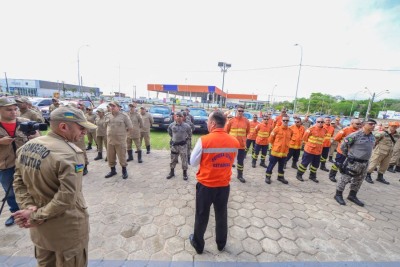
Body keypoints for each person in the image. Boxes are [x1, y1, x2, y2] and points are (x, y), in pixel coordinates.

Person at [12, 106, 96, 266]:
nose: (84, 132)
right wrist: (35, 216)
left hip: (40, 231)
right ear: (63, 127)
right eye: (81, 128)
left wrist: (29, 208)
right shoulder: (71, 154)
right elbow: (67, 198)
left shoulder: (27, 147)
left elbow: (18, 182)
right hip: (66, 230)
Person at [189, 110, 239, 254]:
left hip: (206, 186)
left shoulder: (204, 140)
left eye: (207, 121)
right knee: (221, 214)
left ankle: (198, 245)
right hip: (223, 186)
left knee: (202, 215)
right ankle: (221, 244)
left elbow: (192, 162)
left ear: (212, 123)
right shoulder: (234, 141)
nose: (206, 124)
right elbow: (232, 161)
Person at [0, 97, 40, 227]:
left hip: (27, 162)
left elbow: (38, 137)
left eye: (15, 109)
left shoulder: (25, 122)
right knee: (10, 192)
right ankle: (15, 213)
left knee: (33, 186)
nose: (13, 112)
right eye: (8, 110)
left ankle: (34, 210)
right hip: (6, 164)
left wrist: (36, 137)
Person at [334, 119, 376, 206]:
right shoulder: (355, 135)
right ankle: (338, 194)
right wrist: (349, 156)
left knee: (359, 180)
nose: (373, 126)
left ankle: (352, 196)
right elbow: (343, 146)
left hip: (364, 163)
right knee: (345, 178)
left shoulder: (372, 136)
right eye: (371, 124)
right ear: (364, 124)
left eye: (374, 124)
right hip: (353, 162)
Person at [104, 101, 133, 179]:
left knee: (122, 157)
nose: (112, 107)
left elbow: (130, 127)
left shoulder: (124, 116)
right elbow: (105, 126)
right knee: (110, 157)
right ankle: (113, 170)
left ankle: (124, 171)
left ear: (118, 107)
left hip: (120, 141)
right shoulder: (107, 116)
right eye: (111, 106)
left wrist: (123, 135)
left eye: (113, 106)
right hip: (110, 141)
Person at [328, 118, 362, 182]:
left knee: (349, 165)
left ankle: (346, 177)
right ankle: (332, 175)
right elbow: (336, 138)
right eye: (357, 124)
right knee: (338, 164)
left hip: (352, 152)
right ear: (352, 123)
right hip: (342, 151)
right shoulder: (345, 130)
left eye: (360, 124)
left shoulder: (360, 132)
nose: (359, 125)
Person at [296, 117, 327, 183]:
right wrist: (309, 145)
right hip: (309, 150)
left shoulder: (324, 130)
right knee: (304, 164)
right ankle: (299, 175)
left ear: (323, 123)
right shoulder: (311, 129)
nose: (320, 123)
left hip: (318, 151)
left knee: (315, 165)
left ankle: (312, 176)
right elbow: (304, 139)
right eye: (318, 122)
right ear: (316, 122)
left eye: (322, 122)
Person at [225, 105, 250, 183]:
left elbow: (247, 132)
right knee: (228, 160)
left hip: (241, 145)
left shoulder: (246, 121)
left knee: (240, 161)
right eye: (239, 111)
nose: (240, 112)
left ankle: (240, 175)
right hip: (231, 145)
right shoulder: (231, 120)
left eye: (242, 111)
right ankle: (226, 175)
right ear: (236, 111)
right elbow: (226, 131)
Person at [265, 115, 292, 184]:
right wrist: (275, 146)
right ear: (281, 121)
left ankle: (280, 177)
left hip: (284, 152)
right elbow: (270, 139)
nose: (285, 121)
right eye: (284, 120)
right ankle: (268, 177)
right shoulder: (276, 129)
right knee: (271, 165)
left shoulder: (290, 131)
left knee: (281, 166)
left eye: (287, 120)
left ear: (289, 121)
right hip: (275, 152)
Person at [166, 112, 192, 180]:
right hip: (174, 145)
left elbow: (190, 134)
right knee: (173, 159)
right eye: (177, 116)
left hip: (183, 145)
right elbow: (169, 131)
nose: (179, 117)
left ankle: (185, 173)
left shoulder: (186, 126)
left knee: (184, 159)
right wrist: (173, 138)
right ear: (175, 117)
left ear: (183, 118)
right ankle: (172, 172)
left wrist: (185, 139)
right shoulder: (172, 125)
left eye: (180, 116)